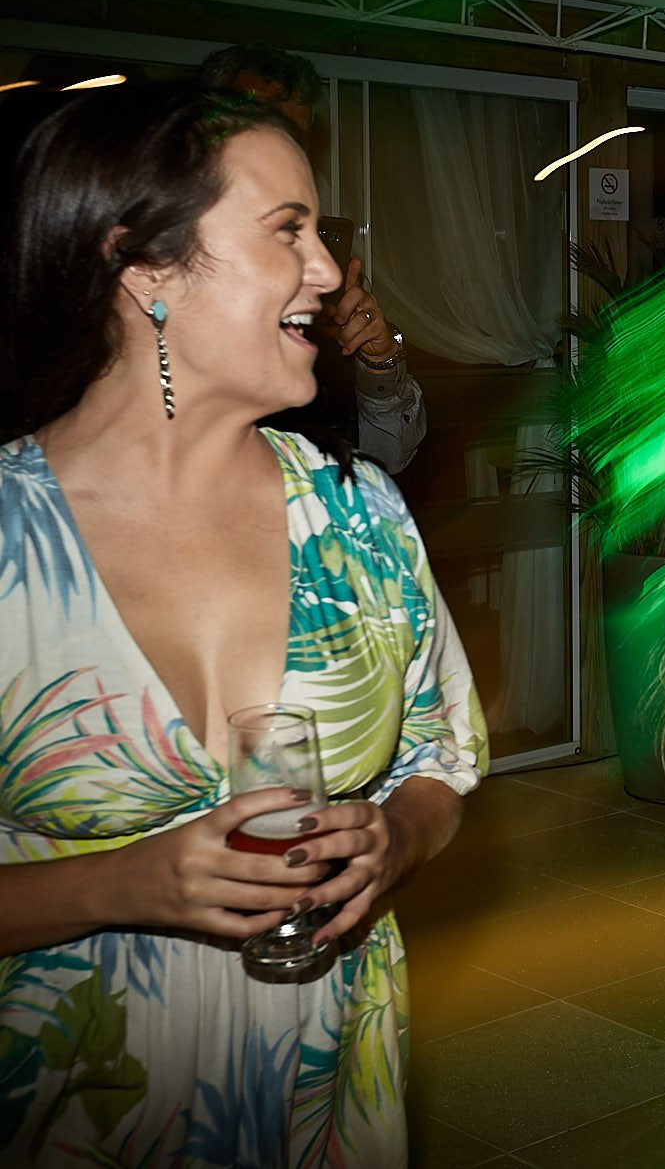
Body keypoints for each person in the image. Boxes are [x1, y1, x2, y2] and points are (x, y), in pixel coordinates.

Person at [0, 81, 487, 1165]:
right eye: (289, 231)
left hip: (324, 1086)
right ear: (145, 271)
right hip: (69, 1101)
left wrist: (393, 842)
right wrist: (119, 885)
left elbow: (439, 765)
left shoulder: (357, 513)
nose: (328, 272)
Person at [197, 44, 427, 472]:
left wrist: (380, 361)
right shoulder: (171, 263)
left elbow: (386, 459)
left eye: (296, 140)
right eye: (265, 130)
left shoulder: (323, 268)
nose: (285, 155)